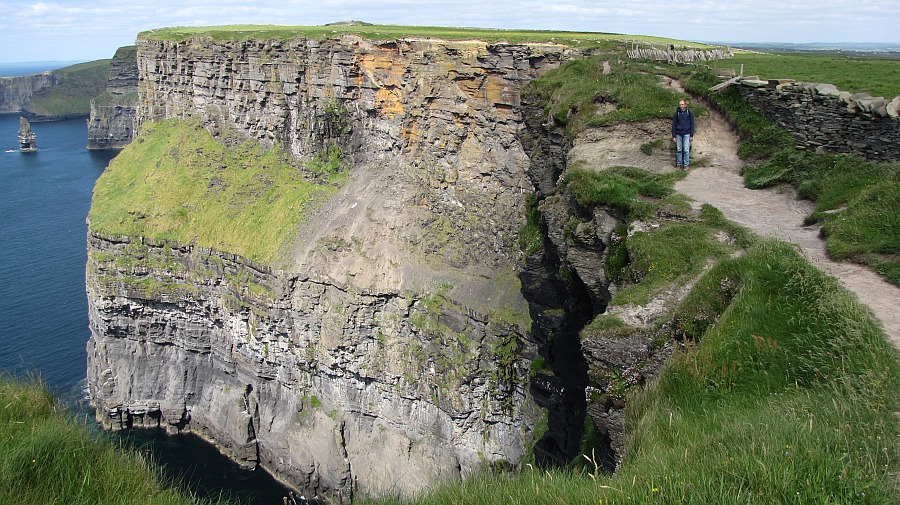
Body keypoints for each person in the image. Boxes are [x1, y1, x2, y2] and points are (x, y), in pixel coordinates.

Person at [671, 99, 695, 169]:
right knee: (679, 149)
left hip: (686, 134)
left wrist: (691, 135)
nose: (681, 106)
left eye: (682, 104)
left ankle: (686, 165)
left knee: (686, 150)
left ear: (685, 105)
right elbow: (674, 125)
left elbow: (692, 124)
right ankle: (679, 164)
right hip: (678, 134)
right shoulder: (676, 113)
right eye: (680, 105)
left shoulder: (689, 113)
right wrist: (674, 136)